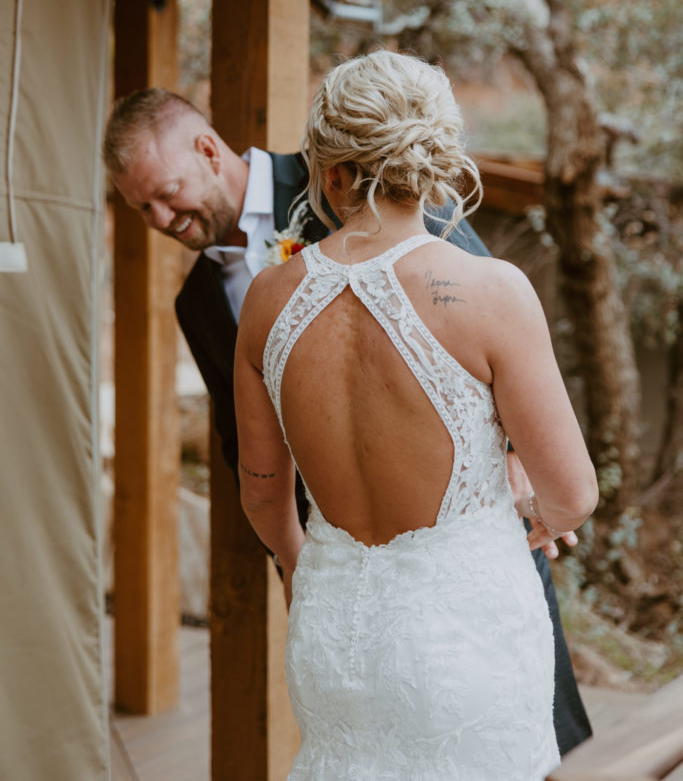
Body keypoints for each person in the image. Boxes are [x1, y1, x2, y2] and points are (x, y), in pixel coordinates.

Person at [103, 79, 594, 757]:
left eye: (165, 193)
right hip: (383, 585)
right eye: (140, 208)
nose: (158, 219)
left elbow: (261, 487)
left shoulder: (289, 271)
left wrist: (514, 467)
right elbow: (236, 442)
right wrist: (306, 573)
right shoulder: (200, 302)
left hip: (391, 572)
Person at [233, 50, 599, 780]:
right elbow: (572, 494)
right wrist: (509, 520)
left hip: (334, 638)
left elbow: (265, 496)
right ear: (430, 163)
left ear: (331, 172)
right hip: (466, 633)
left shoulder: (266, 300)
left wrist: (316, 575)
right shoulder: (489, 291)